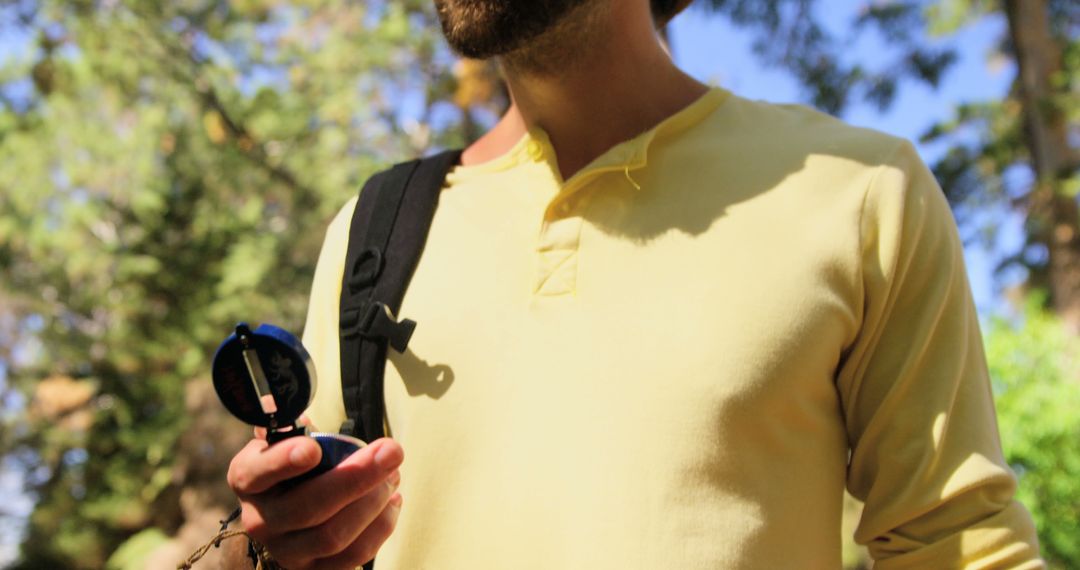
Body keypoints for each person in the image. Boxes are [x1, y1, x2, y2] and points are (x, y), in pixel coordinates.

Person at [226, 0, 1045, 568]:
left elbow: (957, 547)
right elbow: (305, 541)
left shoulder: (863, 190)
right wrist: (260, 546)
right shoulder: (369, 231)